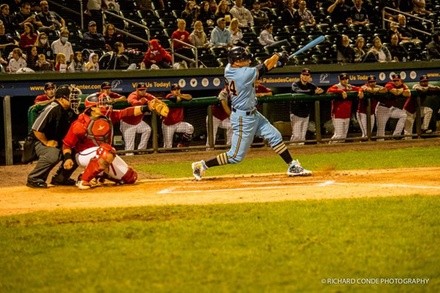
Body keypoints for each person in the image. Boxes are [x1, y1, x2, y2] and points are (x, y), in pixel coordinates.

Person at [191, 46, 312, 180]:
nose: (248, 60)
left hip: (253, 114)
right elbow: (264, 66)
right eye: (244, 59)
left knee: (275, 136)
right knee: (235, 156)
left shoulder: (229, 68)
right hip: (243, 118)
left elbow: (264, 68)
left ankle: (292, 165)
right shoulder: (242, 74)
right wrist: (278, 55)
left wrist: (278, 63)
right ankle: (201, 165)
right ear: (236, 61)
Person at [61, 92, 151, 189]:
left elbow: (126, 112)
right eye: (102, 104)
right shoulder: (80, 123)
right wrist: (67, 158)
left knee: (130, 177)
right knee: (106, 151)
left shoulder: (107, 116)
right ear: (92, 108)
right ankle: (84, 180)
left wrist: (146, 108)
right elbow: (67, 144)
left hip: (105, 154)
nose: (106, 106)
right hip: (84, 155)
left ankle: (100, 174)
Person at [26, 85, 80, 188]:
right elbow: (36, 129)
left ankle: (60, 179)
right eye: (70, 97)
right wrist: (46, 142)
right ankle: (35, 178)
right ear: (61, 99)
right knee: (54, 154)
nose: (74, 100)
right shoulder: (52, 108)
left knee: (78, 153)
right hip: (37, 141)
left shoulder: (71, 111)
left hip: (56, 141)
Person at [120, 82, 156, 155]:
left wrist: (150, 101)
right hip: (128, 124)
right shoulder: (133, 95)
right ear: (136, 89)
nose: (142, 91)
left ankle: (141, 149)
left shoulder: (147, 95)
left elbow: (156, 100)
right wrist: (144, 101)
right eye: (140, 90)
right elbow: (134, 103)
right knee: (129, 151)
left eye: (144, 90)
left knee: (147, 129)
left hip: (138, 122)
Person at [327, 73, 364, 143]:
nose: (344, 80)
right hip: (337, 115)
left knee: (343, 136)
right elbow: (329, 90)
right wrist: (341, 91)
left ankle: (337, 150)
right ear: (340, 80)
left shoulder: (349, 87)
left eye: (346, 79)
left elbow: (359, 88)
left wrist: (360, 91)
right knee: (339, 135)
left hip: (347, 115)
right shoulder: (337, 86)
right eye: (343, 79)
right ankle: (329, 146)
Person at [290, 68, 324, 144]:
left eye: (307, 75)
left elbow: (320, 90)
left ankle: (300, 153)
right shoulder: (295, 84)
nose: (305, 76)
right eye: (303, 75)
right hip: (296, 113)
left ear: (309, 76)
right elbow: (298, 91)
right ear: (300, 76)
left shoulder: (311, 85)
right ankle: (292, 150)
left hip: (306, 114)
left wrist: (320, 91)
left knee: (302, 137)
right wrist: (312, 92)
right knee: (296, 136)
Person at [376, 74, 408, 140]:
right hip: (382, 108)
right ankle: (379, 147)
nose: (396, 82)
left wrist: (402, 89)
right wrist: (402, 90)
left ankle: (396, 135)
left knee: (403, 115)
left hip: (391, 108)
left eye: (397, 80)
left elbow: (408, 93)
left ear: (400, 80)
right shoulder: (389, 84)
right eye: (394, 80)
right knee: (381, 132)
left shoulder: (403, 85)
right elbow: (396, 93)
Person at [161, 83, 194, 148]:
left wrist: (181, 96)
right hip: (168, 125)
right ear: (171, 91)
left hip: (178, 124)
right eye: (174, 89)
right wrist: (182, 97)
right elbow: (176, 99)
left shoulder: (180, 95)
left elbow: (190, 97)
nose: (176, 91)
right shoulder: (169, 96)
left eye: (178, 89)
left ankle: (182, 144)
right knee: (168, 147)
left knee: (190, 128)